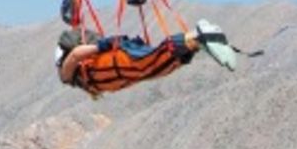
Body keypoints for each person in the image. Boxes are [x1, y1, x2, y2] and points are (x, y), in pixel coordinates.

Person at [56, 18, 235, 97]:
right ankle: (196, 43)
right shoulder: (82, 75)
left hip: (124, 61)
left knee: (153, 60)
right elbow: (76, 55)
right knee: (161, 67)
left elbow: (74, 56)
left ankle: (198, 36)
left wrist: (101, 46)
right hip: (126, 68)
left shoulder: (67, 75)